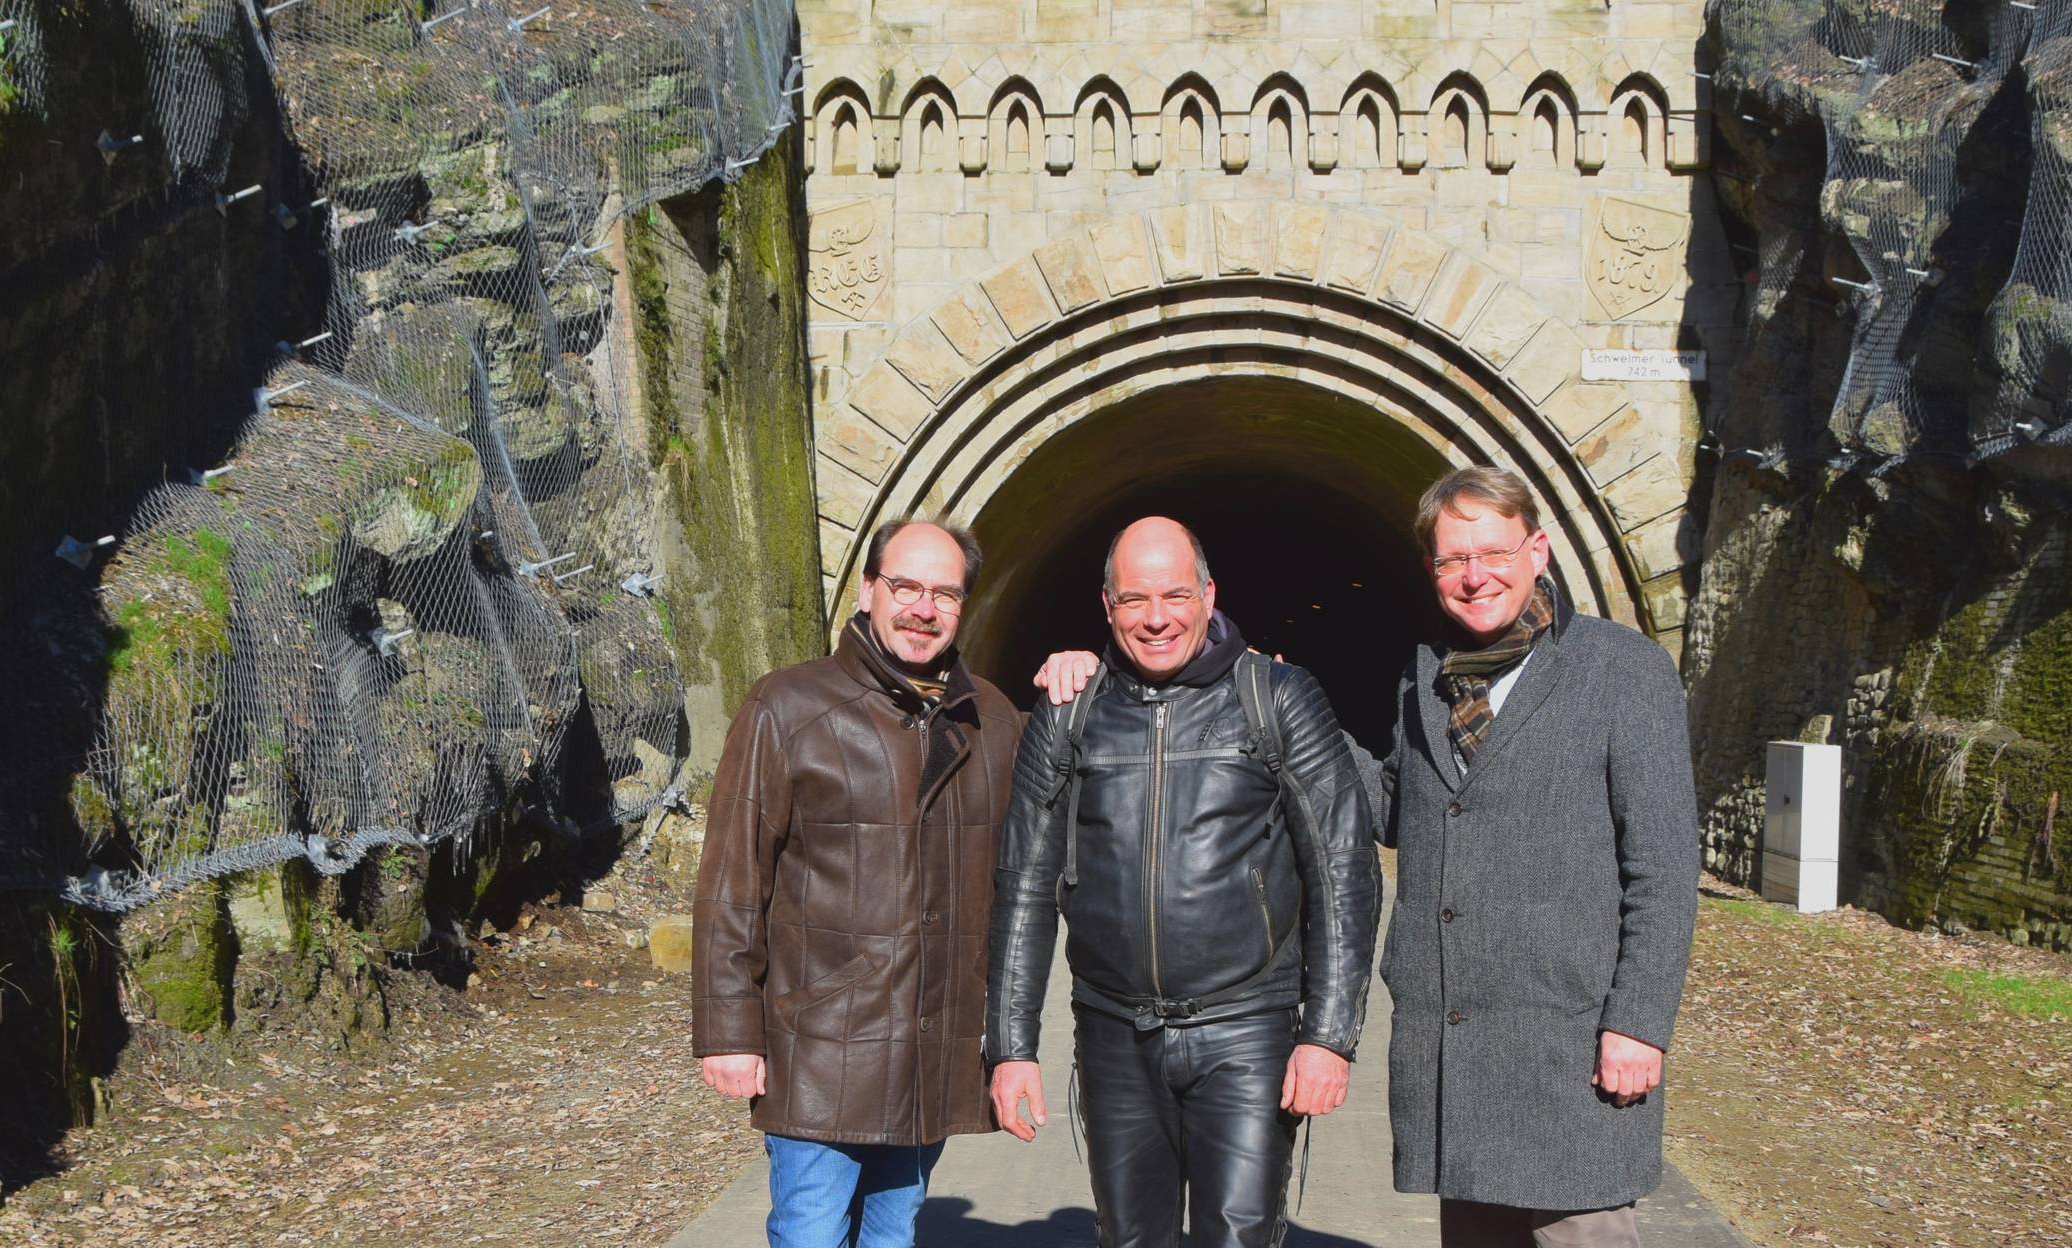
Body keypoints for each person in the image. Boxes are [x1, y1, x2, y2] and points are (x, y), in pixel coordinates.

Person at [985, 517, 1381, 1248]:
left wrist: (1328, 1035)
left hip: (1247, 1030)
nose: (1157, 618)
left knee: (1236, 1238)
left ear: (1208, 595)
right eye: (1135, 600)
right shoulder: (1067, 713)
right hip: (1113, 1035)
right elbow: (1024, 885)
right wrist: (1011, 1048)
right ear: (1107, 607)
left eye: (1175, 594)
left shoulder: (1278, 698)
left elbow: (1344, 870)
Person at [1380, 465, 1699, 1247]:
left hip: (1572, 1042)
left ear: (1539, 552)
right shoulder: (1427, 679)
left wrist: (1639, 1023)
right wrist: (1286, 718)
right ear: (1433, 571)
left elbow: (1663, 867)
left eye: (1492, 552)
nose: (1475, 575)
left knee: (1581, 1234)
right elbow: (1398, 807)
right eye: (1454, 559)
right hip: (1458, 1043)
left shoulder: (1623, 671)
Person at [691, 518, 1025, 1248]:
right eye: (905, 586)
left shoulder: (993, 719)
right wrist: (727, 1032)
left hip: (929, 1039)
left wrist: (1083, 677)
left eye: (945, 593)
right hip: (821, 1040)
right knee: (811, 1232)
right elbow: (731, 880)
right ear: (869, 588)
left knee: (891, 1233)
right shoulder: (787, 706)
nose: (922, 608)